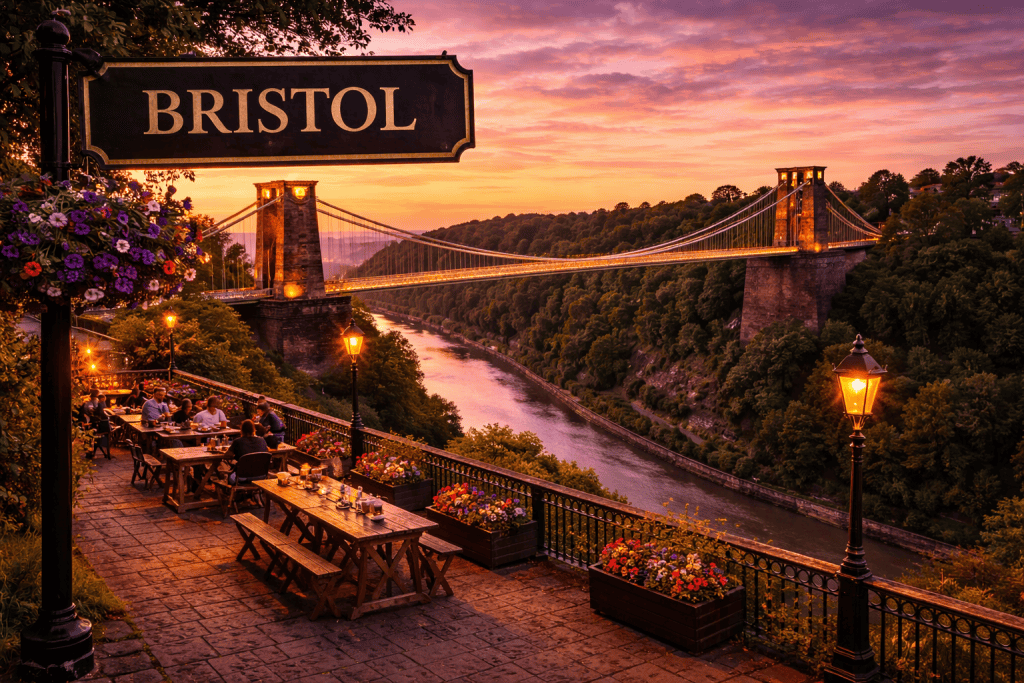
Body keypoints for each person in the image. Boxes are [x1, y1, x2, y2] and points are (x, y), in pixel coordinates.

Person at [224, 420, 269, 485]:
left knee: (228, 474)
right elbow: (266, 452)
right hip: (261, 476)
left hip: (242, 477)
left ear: (241, 430)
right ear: (253, 430)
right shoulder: (262, 440)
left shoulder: (238, 441)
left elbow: (226, 455)